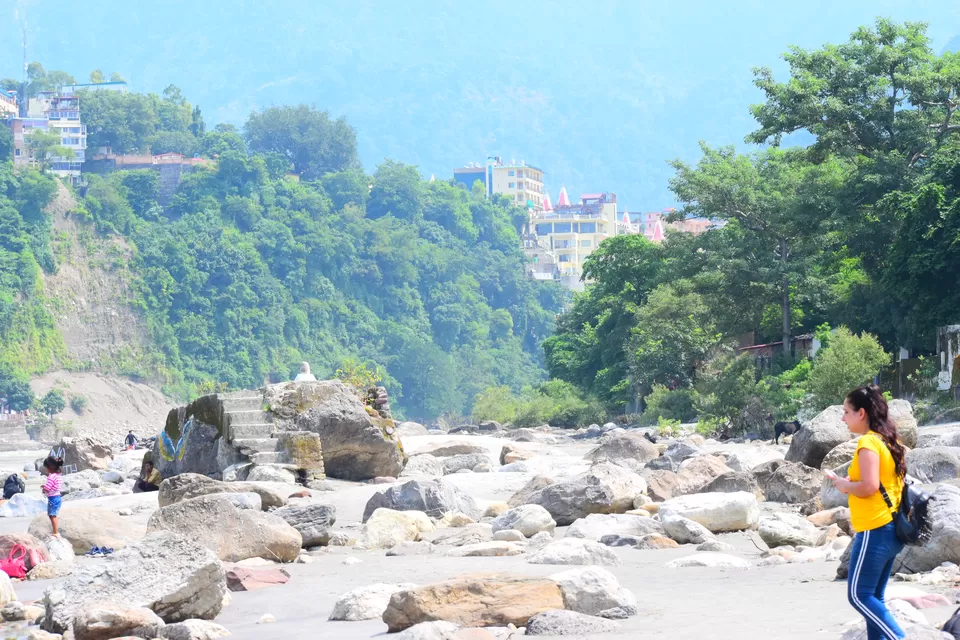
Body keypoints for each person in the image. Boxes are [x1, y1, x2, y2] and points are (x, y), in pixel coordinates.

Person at [831, 384, 907, 640]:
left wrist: (844, 486)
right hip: (891, 528)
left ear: (861, 413)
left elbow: (869, 486)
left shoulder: (868, 442)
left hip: (875, 529)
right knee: (873, 596)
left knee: (858, 595)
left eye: (846, 411)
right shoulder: (888, 439)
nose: (843, 417)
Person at [41, 456, 63, 538]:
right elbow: (55, 486)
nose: (46, 469)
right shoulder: (59, 476)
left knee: (52, 516)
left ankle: (55, 532)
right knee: (54, 515)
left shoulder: (51, 476)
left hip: (52, 498)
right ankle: (55, 531)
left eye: (46, 467)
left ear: (50, 467)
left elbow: (48, 488)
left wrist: (44, 489)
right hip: (58, 497)